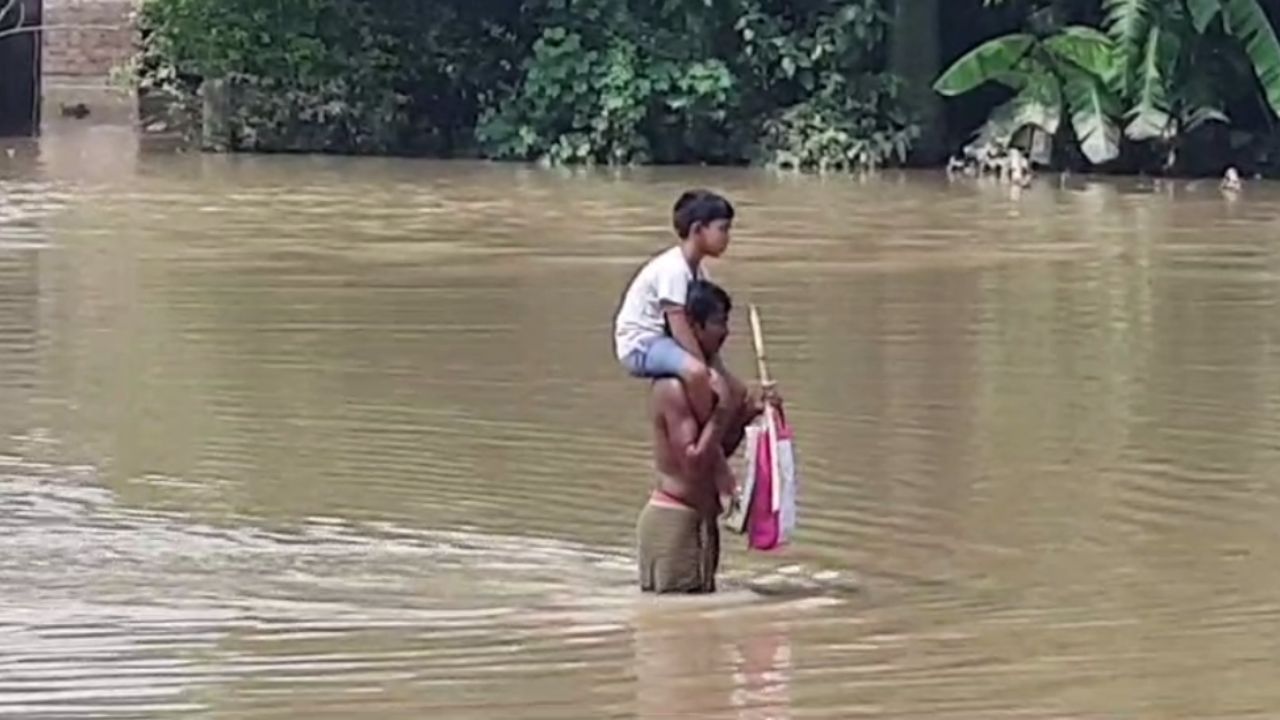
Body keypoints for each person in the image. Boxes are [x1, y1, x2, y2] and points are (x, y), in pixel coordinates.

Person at [636, 279, 779, 594]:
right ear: (693, 326)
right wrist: (725, 410)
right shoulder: (673, 388)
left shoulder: (693, 386)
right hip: (678, 523)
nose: (725, 331)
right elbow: (694, 463)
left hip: (683, 521)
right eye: (717, 322)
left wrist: (748, 414)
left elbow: (714, 452)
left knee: (677, 631)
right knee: (682, 631)